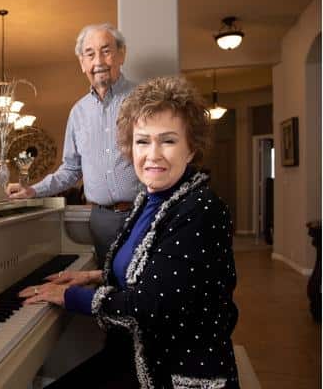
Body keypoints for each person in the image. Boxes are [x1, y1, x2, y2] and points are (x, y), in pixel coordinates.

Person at [19, 76, 240, 389]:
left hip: (170, 371)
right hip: (134, 355)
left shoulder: (200, 209)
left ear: (191, 148)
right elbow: (150, 267)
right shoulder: (149, 198)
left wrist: (70, 296)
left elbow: (151, 307)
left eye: (168, 140)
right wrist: (93, 276)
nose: (153, 154)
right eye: (142, 141)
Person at [6, 23, 141, 267]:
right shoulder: (78, 113)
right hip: (100, 220)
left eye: (106, 51)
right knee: (109, 288)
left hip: (144, 213)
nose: (98, 60)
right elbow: (70, 170)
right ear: (82, 63)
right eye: (90, 54)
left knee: (149, 291)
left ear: (122, 55)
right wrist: (33, 190)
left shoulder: (144, 99)